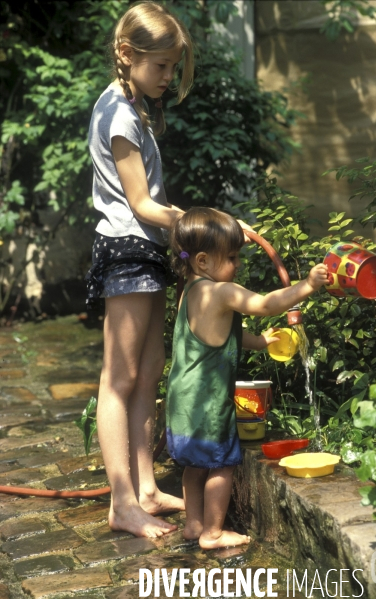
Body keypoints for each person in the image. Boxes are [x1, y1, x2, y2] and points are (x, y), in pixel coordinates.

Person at [85, 0, 195, 538]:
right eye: (161, 67)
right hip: (128, 250)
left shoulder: (131, 106)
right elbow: (143, 205)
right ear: (128, 54)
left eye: (173, 68)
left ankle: (146, 487)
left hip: (146, 251)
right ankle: (122, 501)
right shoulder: (120, 115)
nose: (168, 78)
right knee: (121, 378)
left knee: (148, 374)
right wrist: (203, 223)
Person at [166, 207, 329, 550]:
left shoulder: (190, 292)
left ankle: (194, 524)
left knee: (194, 466)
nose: (238, 265)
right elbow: (268, 304)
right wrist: (308, 285)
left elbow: (219, 336)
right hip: (209, 407)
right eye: (233, 257)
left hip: (181, 404)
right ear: (203, 261)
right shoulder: (222, 292)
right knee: (222, 466)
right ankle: (212, 532)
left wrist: (261, 341)